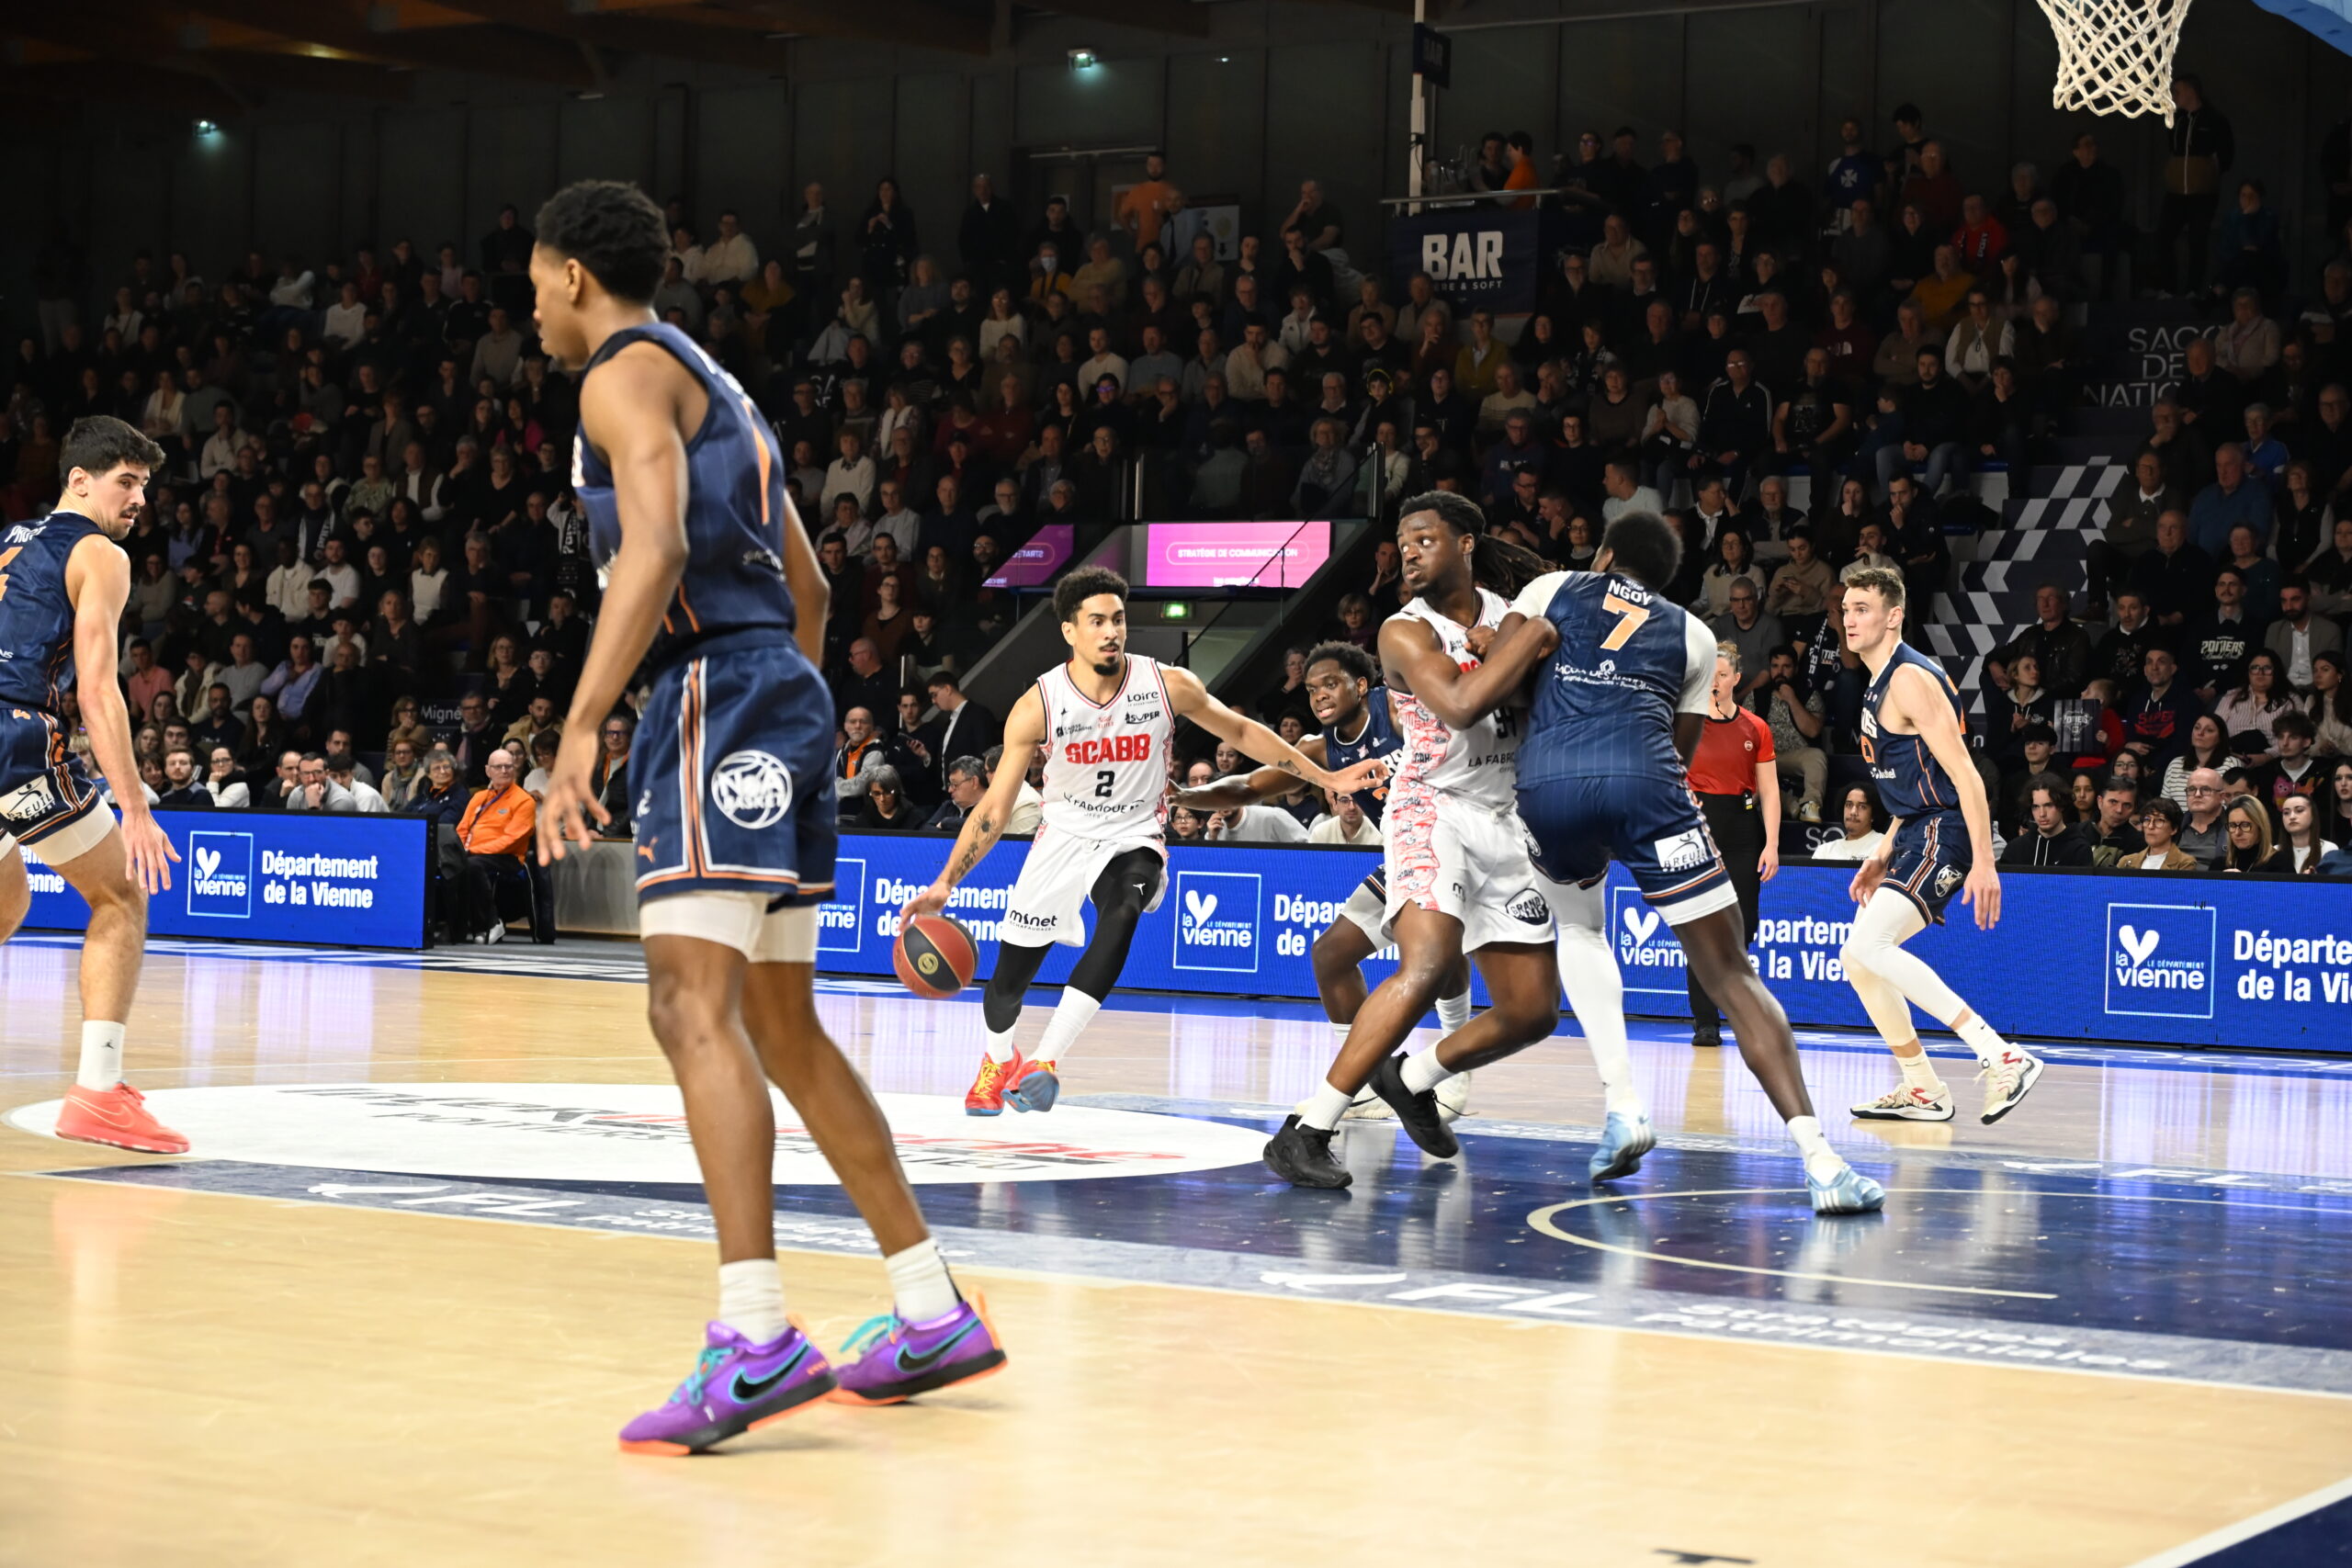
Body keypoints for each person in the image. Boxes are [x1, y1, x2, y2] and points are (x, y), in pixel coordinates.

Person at [526, 180, 1000, 1452]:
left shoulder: (620, 373)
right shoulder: (720, 384)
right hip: (780, 692)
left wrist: (583, 725)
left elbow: (656, 549)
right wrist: (787, 710)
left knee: (687, 1005)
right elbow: (811, 588)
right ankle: (929, 1305)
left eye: (534, 287)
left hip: (716, 692)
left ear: (571, 274)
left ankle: (754, 1334)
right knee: (782, 1025)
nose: (535, 313)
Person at [1449, 511, 1885, 1209]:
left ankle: (1623, 1106)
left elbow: (1504, 683)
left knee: (1581, 928)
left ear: (1604, 555)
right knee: (1731, 973)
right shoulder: (1694, 633)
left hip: (1549, 784)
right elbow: (1680, 751)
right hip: (1649, 785)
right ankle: (1823, 1162)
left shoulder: (1552, 588)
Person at [902, 568, 1375, 1121]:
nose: (1111, 632)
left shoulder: (1167, 684)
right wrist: (946, 882)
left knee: (1124, 907)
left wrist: (1326, 777)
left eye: (1119, 620)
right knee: (1008, 983)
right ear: (1069, 631)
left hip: (1133, 835)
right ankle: (998, 1059)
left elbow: (1243, 733)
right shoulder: (1040, 704)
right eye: (1097, 621)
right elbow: (994, 808)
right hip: (1062, 837)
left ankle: (1045, 1061)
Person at [1258, 495, 1574, 1193]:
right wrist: (1531, 640)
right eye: (1403, 543)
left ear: (1466, 543)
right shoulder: (1405, 630)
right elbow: (1461, 705)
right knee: (1427, 963)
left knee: (1533, 1011)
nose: (1408, 552)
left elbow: (1537, 704)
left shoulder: (1507, 614)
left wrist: (1517, 644)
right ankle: (1308, 1129)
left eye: (1425, 539)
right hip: (1432, 807)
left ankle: (1414, 1076)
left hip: (1507, 816)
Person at [1172, 641, 1478, 1122]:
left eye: (1331, 684)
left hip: (1460, 841)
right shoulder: (1320, 751)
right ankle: (1365, 1083)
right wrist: (1184, 795)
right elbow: (1249, 786)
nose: (1319, 695)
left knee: (1441, 946)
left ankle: (1454, 1069)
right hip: (1405, 855)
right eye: (1312, 689)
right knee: (1331, 955)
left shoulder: (1395, 710)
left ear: (1362, 685)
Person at [0, 416, 186, 1154]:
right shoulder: (100, 553)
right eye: (126, 482)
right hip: (15, 737)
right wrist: (134, 806)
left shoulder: (9, 539)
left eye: (145, 485)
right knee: (122, 895)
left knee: (8, 900)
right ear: (79, 480)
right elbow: (100, 692)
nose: (139, 499)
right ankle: (99, 1094)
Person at [1838, 563, 2045, 1129]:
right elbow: (1914, 785)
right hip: (1916, 829)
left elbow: (1966, 777)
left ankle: (2003, 1055)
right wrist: (1882, 850)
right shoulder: (1880, 681)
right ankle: (1923, 1088)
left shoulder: (1908, 678)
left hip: (1945, 830)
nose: (1850, 619)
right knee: (1857, 957)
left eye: (1863, 609)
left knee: (1871, 944)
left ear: (1894, 617)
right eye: (1847, 608)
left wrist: (1985, 862)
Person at [1684, 642, 1781, 1047]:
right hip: (1699, 826)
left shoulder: (1755, 727)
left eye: (1723, 675)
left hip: (1742, 827)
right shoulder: (1686, 721)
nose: (1716, 681)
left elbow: (1770, 790)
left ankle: (1731, 1000)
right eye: (1711, 674)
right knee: (1701, 926)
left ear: (1736, 679)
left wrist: (1772, 843)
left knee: (1745, 924)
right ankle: (1706, 1021)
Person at [1813, 783, 1887, 862]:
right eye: (1849, 805)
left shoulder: (1885, 845)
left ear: (1873, 815)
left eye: (1862, 806)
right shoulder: (1824, 851)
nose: (1853, 812)